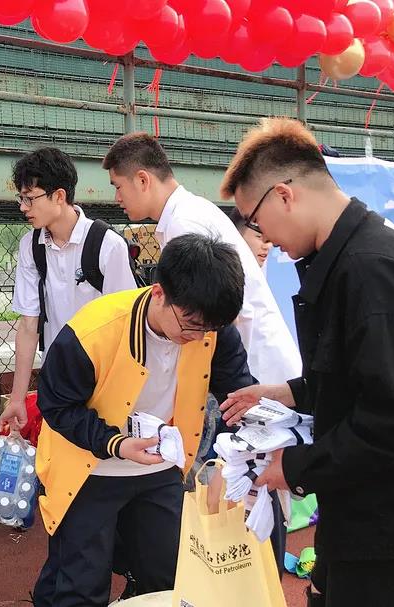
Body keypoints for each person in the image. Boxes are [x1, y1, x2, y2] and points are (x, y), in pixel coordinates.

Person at [218, 117, 394, 607]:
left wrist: (298, 466)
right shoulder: (352, 256)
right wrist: (289, 393)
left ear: (284, 196)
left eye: (256, 221)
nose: (264, 238)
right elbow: (364, 376)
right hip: (367, 507)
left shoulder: (371, 268)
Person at [103, 131, 299, 574]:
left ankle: (246, 579)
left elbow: (213, 317)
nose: (116, 197)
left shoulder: (186, 223)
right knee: (248, 476)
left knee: (243, 477)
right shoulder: (188, 214)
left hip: (245, 368)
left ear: (142, 179)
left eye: (118, 186)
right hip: (245, 363)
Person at [31, 233, 257, 607]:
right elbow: (57, 406)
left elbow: (238, 395)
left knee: (170, 576)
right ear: (159, 293)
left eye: (209, 329)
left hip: (160, 467)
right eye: (190, 324)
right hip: (89, 469)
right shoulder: (94, 331)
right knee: (81, 585)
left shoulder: (211, 330)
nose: (197, 337)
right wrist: (117, 444)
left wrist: (248, 448)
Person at [0, 147, 139, 433]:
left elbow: (128, 325)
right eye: (21, 198)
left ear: (59, 196)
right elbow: (28, 326)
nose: (23, 207)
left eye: (30, 198)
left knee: (104, 452)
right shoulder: (31, 246)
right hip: (59, 380)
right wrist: (17, 398)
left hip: (104, 380)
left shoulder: (107, 245)